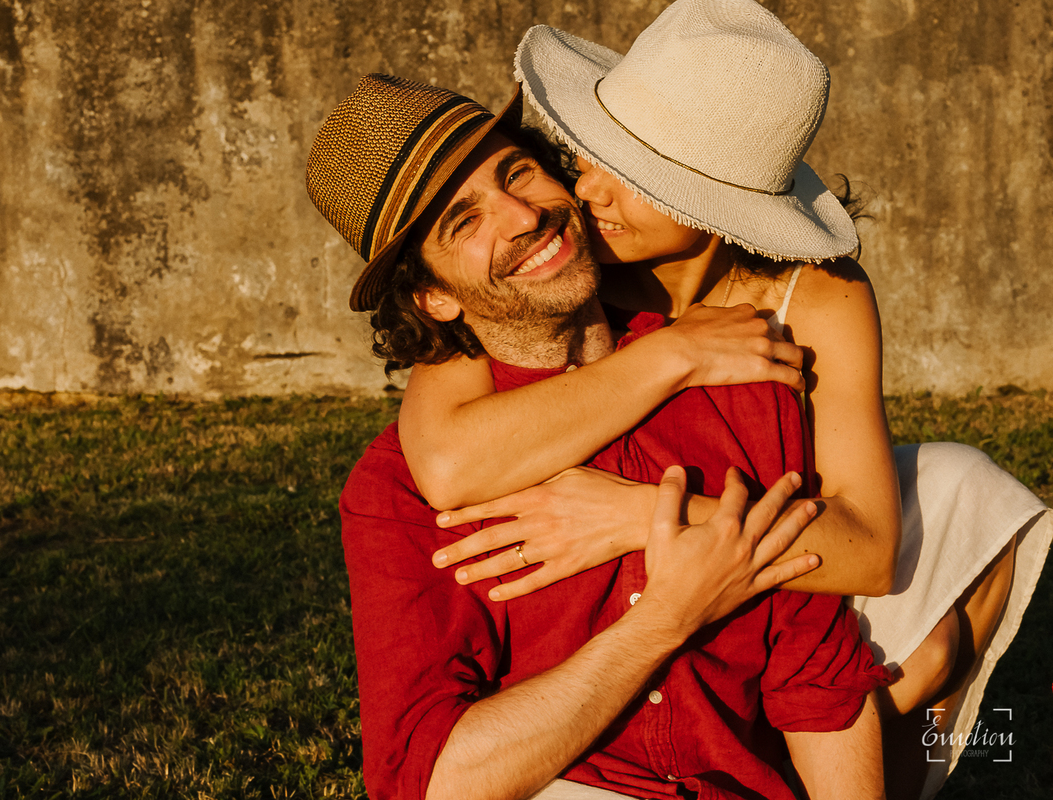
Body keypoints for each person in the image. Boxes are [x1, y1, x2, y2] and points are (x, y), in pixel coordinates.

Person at [397, 1, 1053, 797]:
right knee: (918, 654)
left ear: (717, 205)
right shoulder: (555, 268)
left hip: (765, 582)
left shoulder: (816, 299)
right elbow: (446, 458)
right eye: (590, 154)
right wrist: (673, 355)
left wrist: (636, 513)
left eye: (635, 176)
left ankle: (877, 762)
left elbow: (870, 551)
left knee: (967, 492)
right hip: (630, 628)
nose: (588, 190)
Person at [307, 72, 891, 800]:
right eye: (464, 221)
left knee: (966, 496)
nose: (523, 216)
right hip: (564, 786)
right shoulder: (399, 488)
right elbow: (431, 780)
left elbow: (816, 675)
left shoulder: (731, 370)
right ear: (435, 296)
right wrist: (668, 618)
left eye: (517, 172)